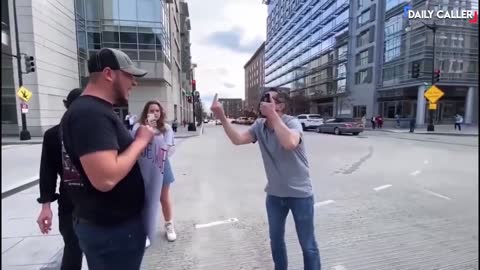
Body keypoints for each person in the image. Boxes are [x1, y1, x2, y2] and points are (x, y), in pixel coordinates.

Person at [60, 48, 155, 270]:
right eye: (129, 75)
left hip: (109, 228)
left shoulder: (94, 110)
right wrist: (141, 141)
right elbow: (105, 178)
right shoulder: (90, 113)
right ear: (108, 74)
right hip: (111, 231)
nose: (134, 83)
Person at [211, 88, 321, 270]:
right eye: (264, 99)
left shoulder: (292, 123)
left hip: (300, 194)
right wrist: (222, 116)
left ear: (281, 105)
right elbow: (238, 139)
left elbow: (290, 143)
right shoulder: (259, 126)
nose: (265, 102)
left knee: (307, 245)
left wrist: (273, 116)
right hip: (275, 196)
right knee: (276, 241)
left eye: (271, 100)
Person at [36, 88, 84, 270]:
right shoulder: (53, 135)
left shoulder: (97, 132)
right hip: (69, 201)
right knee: (73, 247)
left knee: (99, 250)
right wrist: (45, 206)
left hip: (97, 201)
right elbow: (46, 172)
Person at [133, 100, 177, 246]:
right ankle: (144, 231)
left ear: (161, 112)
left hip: (162, 164)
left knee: (164, 197)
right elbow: (135, 145)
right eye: (151, 110)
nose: (154, 113)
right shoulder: (138, 127)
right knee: (145, 199)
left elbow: (169, 148)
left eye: (157, 110)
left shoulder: (166, 128)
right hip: (144, 165)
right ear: (146, 112)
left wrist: (156, 134)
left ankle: (169, 225)